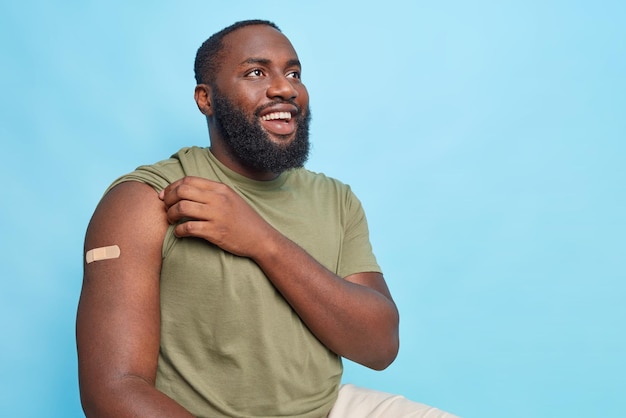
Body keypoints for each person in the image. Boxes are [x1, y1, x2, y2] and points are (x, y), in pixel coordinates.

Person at [76, 19, 458, 418]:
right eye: (256, 72)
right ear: (205, 99)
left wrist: (261, 240)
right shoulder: (144, 199)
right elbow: (113, 390)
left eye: (293, 73)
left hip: (328, 409)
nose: (285, 88)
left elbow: (380, 346)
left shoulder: (335, 199)